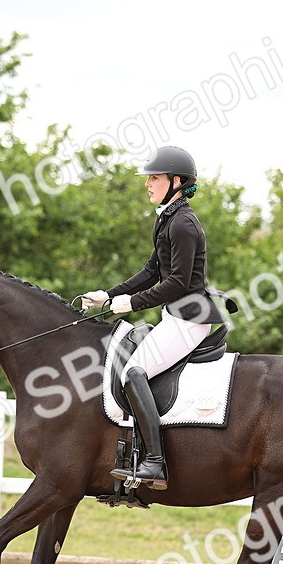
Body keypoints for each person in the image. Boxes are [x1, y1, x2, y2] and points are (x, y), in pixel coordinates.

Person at [80, 146, 224, 490]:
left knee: (132, 373)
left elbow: (175, 283)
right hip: (175, 315)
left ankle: (155, 463)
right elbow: (151, 271)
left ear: (176, 181)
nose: (147, 183)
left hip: (189, 318)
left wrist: (128, 304)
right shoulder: (167, 218)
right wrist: (110, 295)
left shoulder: (184, 224)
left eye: (154, 178)